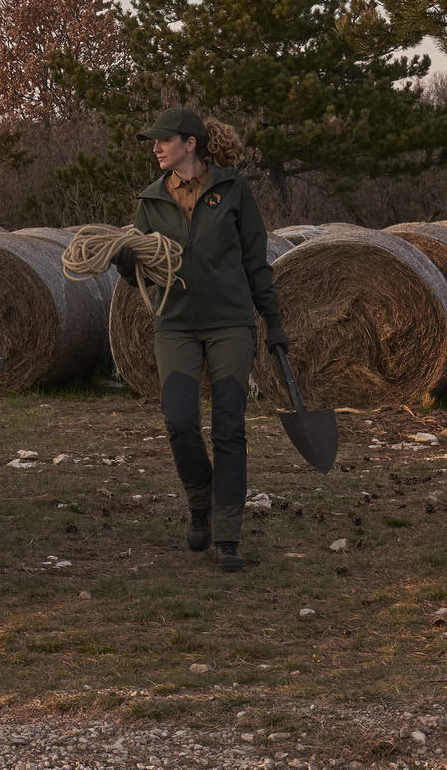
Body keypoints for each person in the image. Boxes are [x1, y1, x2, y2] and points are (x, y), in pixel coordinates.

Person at [114, 107, 286, 573]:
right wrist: (126, 260)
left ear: (190, 143)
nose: (155, 147)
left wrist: (274, 323)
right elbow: (139, 277)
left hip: (230, 324)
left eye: (162, 140)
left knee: (230, 429)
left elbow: (256, 260)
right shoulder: (149, 201)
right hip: (174, 325)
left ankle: (228, 535)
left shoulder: (234, 189)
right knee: (181, 423)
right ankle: (200, 503)